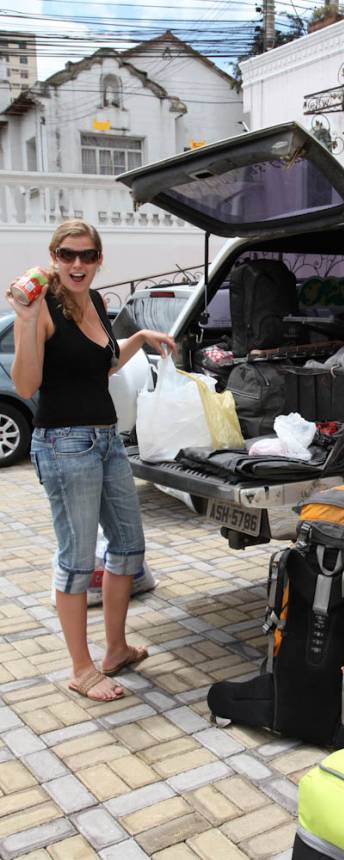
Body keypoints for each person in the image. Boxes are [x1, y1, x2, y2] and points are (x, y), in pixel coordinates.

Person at [7, 219, 175, 702]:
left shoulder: (97, 302)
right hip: (64, 444)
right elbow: (25, 384)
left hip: (106, 440)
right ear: (54, 258)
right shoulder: (41, 307)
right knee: (77, 560)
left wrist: (140, 337)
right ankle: (81, 669)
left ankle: (115, 649)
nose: (77, 264)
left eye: (87, 255)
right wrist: (25, 318)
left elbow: (103, 363)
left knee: (128, 548)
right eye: (67, 255)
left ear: (99, 260)